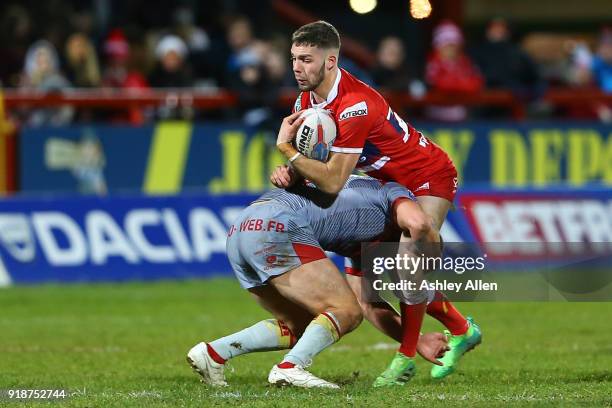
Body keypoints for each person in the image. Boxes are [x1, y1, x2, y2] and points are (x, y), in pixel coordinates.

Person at [270, 20, 480, 385]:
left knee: (408, 261)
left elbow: (334, 179)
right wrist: (292, 172)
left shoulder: (356, 105)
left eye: (306, 59)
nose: (297, 68)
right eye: (294, 59)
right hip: (384, 185)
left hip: (426, 176)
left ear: (331, 62)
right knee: (363, 295)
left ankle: (404, 359)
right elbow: (317, 166)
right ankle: (462, 328)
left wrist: (287, 149)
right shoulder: (306, 101)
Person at [187, 175, 450, 389]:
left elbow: (369, 304)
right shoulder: (394, 193)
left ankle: (214, 353)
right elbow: (419, 223)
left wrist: (418, 340)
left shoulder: (366, 233)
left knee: (300, 323)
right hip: (277, 224)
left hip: (240, 229)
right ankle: (290, 367)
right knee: (345, 312)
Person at [424, 20, 484, 121]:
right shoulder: (432, 64)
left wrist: (457, 85)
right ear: (438, 46)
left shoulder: (465, 63)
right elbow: (440, 85)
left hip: (464, 117)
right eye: (447, 45)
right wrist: (461, 84)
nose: (450, 49)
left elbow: (477, 83)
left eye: (454, 45)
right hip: (435, 118)